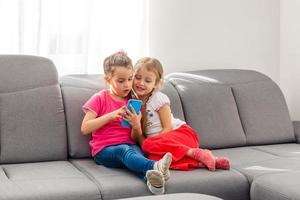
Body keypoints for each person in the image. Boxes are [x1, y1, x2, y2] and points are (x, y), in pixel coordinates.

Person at [80, 51, 172, 195]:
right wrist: (110, 116)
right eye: (121, 81)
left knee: (137, 156)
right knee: (124, 151)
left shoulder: (133, 101)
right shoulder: (100, 98)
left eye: (130, 79)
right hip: (104, 150)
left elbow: (135, 137)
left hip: (130, 146)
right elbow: (85, 128)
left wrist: (136, 124)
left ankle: (155, 184)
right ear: (108, 79)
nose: (127, 85)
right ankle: (155, 166)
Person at [130, 57, 230, 171]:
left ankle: (196, 153)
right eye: (137, 77)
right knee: (153, 158)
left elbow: (167, 128)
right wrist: (136, 126)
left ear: (155, 84)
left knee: (147, 146)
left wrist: (151, 145)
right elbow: (137, 138)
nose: (141, 83)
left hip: (182, 135)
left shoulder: (158, 99)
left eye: (147, 81)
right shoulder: (132, 104)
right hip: (163, 147)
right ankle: (206, 161)